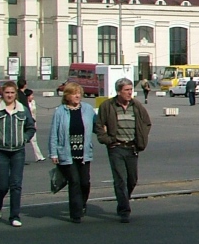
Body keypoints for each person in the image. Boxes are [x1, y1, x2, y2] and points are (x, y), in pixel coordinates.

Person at [0, 80, 36, 227]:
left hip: (18, 151)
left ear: (16, 94)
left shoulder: (22, 109)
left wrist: (25, 137)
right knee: (3, 185)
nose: (9, 95)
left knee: (16, 184)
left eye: (12, 93)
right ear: (2, 94)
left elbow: (31, 127)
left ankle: (14, 216)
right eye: (7, 93)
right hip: (0, 151)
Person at [95, 78, 152, 223]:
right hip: (116, 148)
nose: (129, 93)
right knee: (120, 179)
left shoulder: (137, 106)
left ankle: (123, 200)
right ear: (119, 91)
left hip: (132, 147)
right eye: (126, 90)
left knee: (132, 180)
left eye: (131, 90)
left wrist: (142, 137)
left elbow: (147, 123)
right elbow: (99, 126)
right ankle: (124, 210)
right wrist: (108, 140)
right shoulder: (107, 106)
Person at [49, 82, 96, 224]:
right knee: (74, 182)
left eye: (79, 93)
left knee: (85, 183)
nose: (77, 96)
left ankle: (82, 204)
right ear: (67, 96)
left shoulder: (87, 109)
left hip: (84, 152)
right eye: (74, 93)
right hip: (67, 153)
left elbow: (97, 125)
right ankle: (75, 213)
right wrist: (54, 153)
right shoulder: (60, 111)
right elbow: (54, 134)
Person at [17, 80, 46, 162]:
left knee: (32, 140)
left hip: (31, 121)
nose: (33, 96)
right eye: (31, 95)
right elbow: (27, 111)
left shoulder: (31, 101)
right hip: (28, 121)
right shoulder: (23, 99)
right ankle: (38, 156)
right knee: (31, 139)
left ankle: (38, 156)